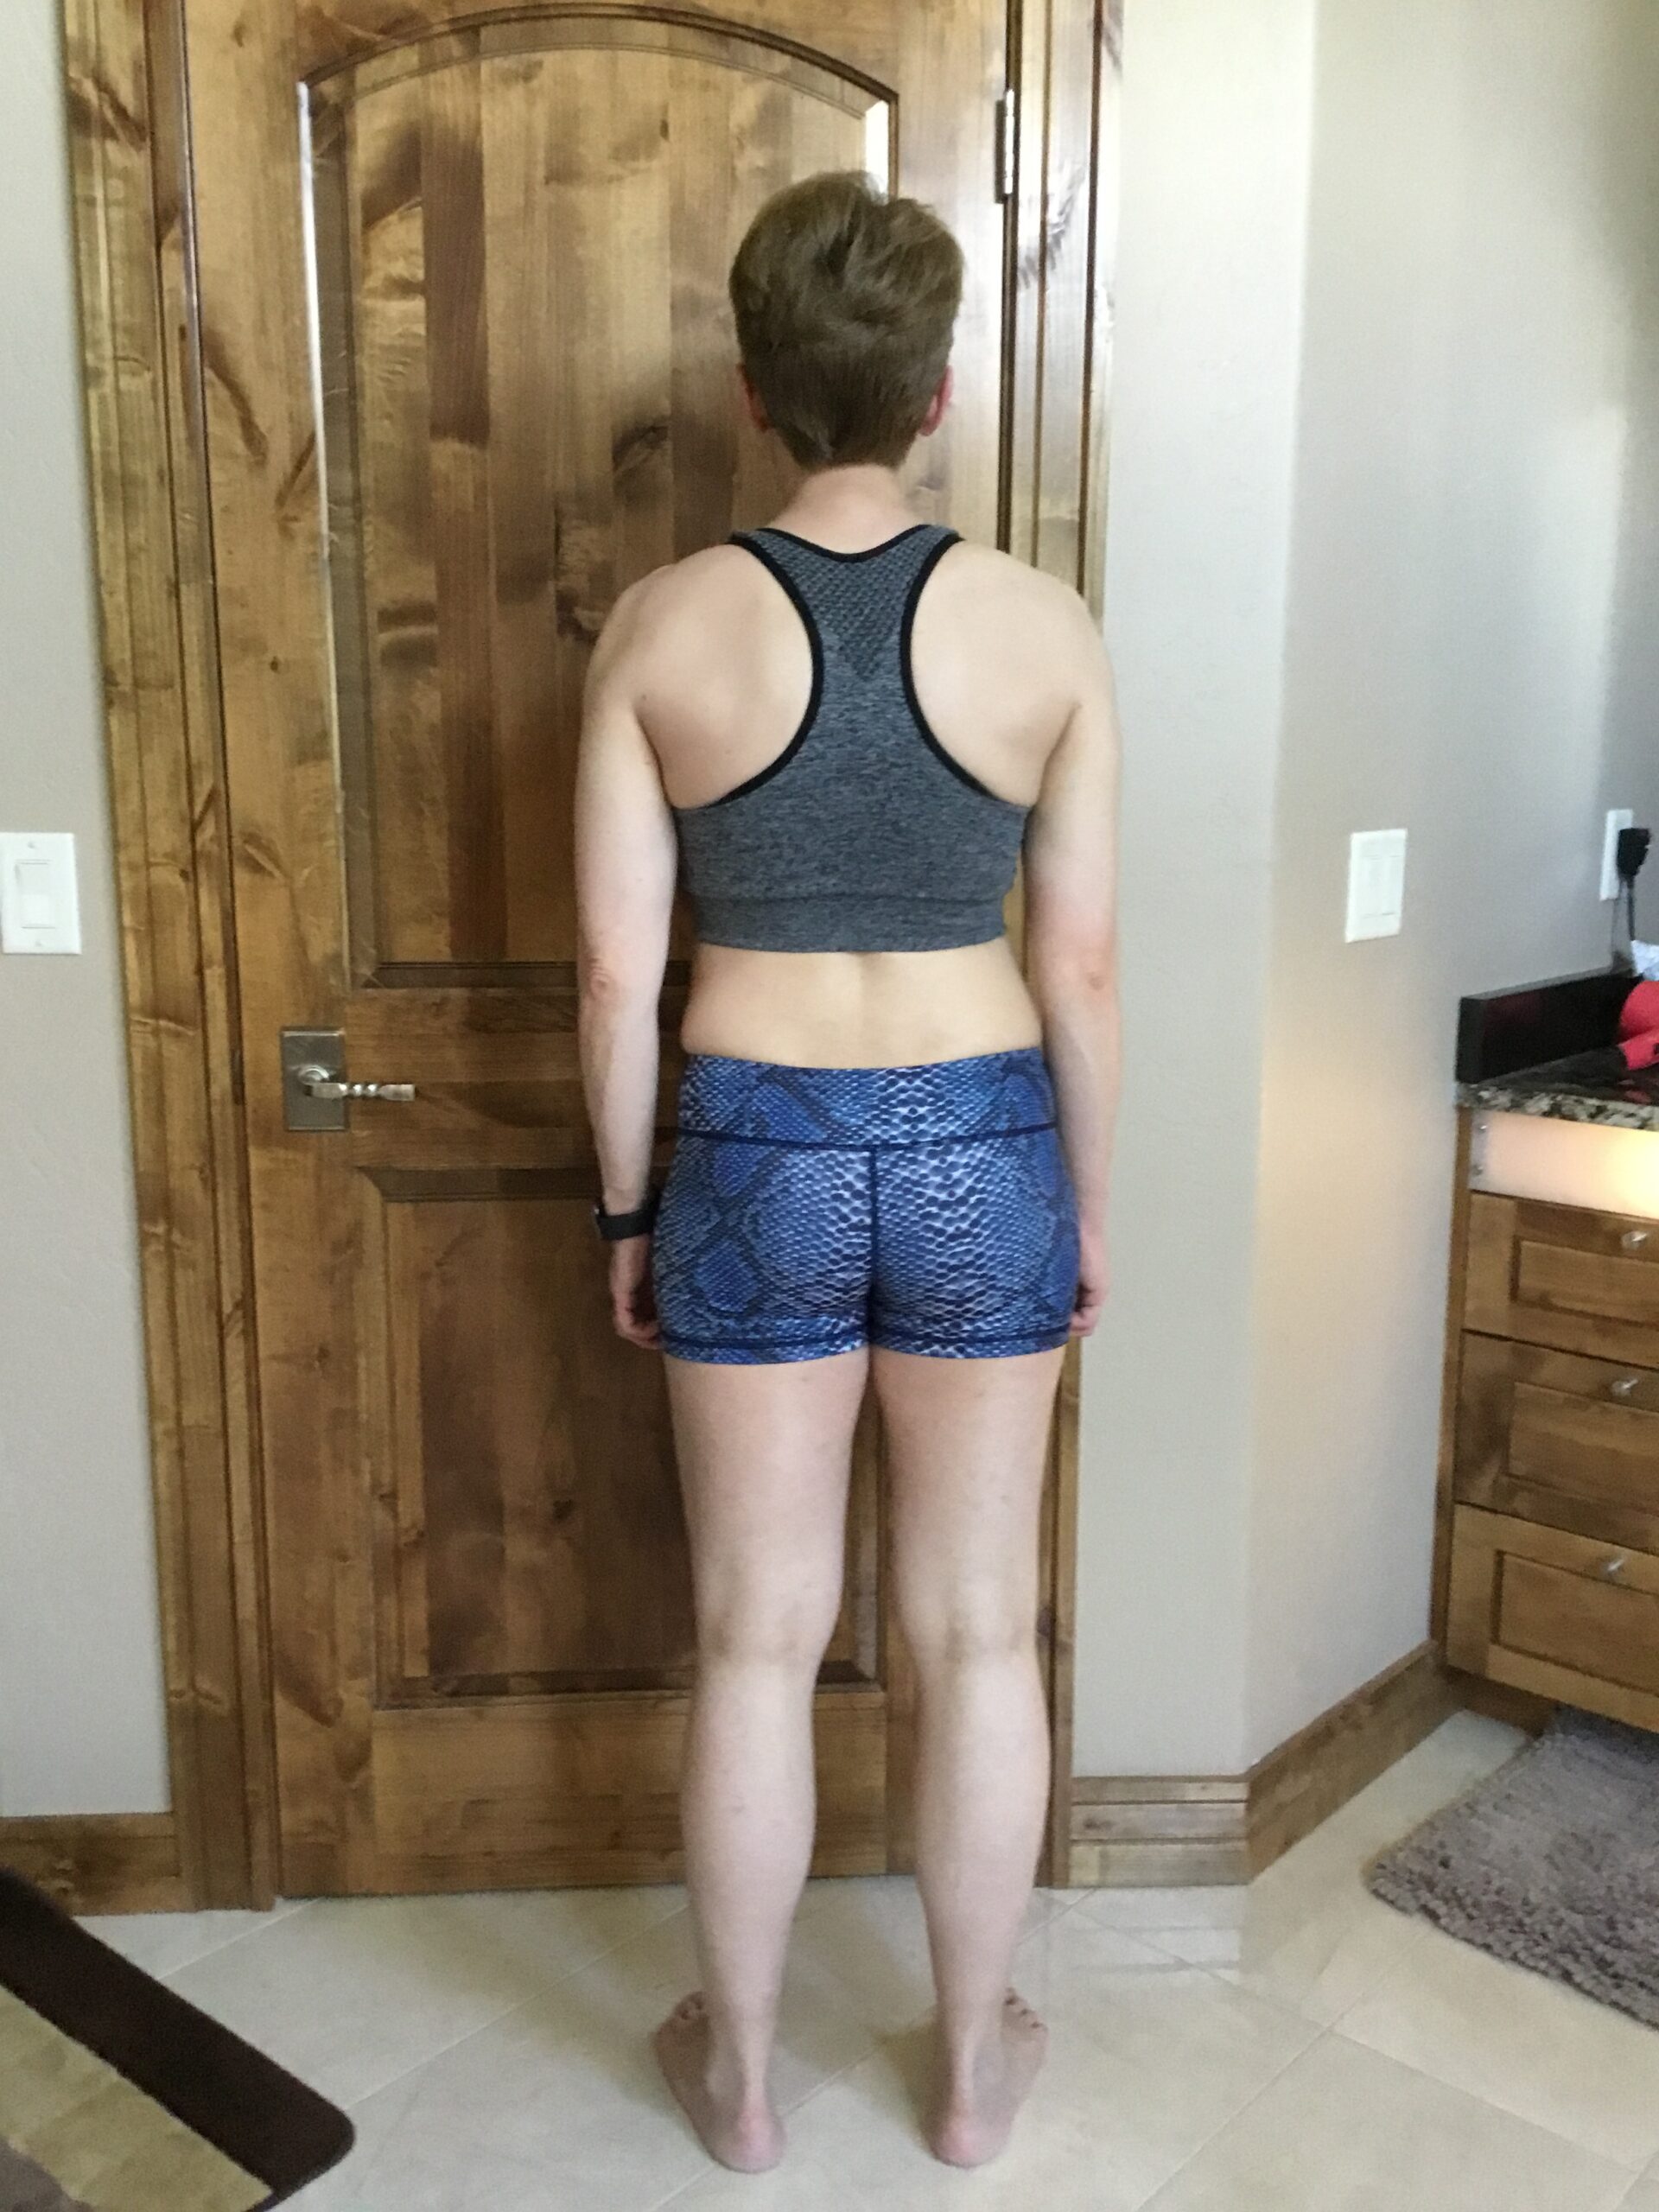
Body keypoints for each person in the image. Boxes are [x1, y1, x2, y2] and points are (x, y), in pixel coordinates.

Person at [574, 168, 1121, 2175]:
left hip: (753, 1148)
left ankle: (739, 2089)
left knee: (753, 1632)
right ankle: (971, 2075)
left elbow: (618, 975)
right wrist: (1086, 1210)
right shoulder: (1046, 628)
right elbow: (1081, 966)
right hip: (985, 1143)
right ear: (938, 391)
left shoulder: (663, 627)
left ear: (752, 392)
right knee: (977, 1626)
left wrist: (627, 1210)